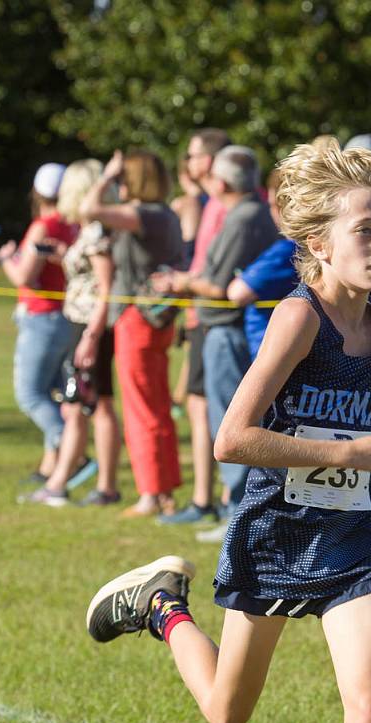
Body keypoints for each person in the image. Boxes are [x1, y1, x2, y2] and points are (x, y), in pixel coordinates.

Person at [85, 138, 371, 723]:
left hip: (348, 540)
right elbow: (232, 438)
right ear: (318, 241)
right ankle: (163, 605)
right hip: (274, 534)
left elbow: (362, 407)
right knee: (227, 715)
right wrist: (348, 454)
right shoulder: (297, 318)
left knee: (369, 713)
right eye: (365, 231)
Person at [157, 145, 278, 541]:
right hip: (233, 330)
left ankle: (236, 515)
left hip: (225, 331)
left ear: (222, 181)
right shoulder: (257, 212)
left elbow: (219, 286)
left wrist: (180, 282)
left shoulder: (241, 218)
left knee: (230, 420)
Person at [79, 149, 185, 519]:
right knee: (156, 406)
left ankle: (151, 493)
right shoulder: (166, 213)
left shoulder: (146, 214)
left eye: (125, 177)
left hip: (137, 321)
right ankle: (164, 489)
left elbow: (89, 209)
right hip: (156, 319)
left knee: (142, 409)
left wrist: (105, 176)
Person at [21, 159, 123, 507]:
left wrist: (91, 336)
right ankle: (61, 481)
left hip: (90, 327)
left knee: (96, 405)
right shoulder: (89, 229)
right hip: (83, 325)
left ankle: (101, 485)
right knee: (76, 404)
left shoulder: (95, 229)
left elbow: (105, 287)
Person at [157, 128, 232, 527]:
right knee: (199, 404)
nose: (187, 162)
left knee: (210, 407)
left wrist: (182, 282)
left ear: (210, 161)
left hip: (210, 315)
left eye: (193, 155)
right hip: (199, 315)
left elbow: (207, 265)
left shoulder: (217, 205)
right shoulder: (209, 202)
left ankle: (216, 499)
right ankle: (208, 496)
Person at [0, 163, 80, 485]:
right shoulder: (72, 224)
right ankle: (51, 466)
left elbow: (24, 276)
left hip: (41, 316)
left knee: (30, 395)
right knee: (55, 392)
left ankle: (71, 450)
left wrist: (7, 258)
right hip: (65, 316)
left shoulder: (43, 226)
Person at [225, 168, 299, 360]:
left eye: (274, 205)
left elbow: (237, 293)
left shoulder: (286, 251)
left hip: (271, 356)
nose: (271, 212)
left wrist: (243, 277)